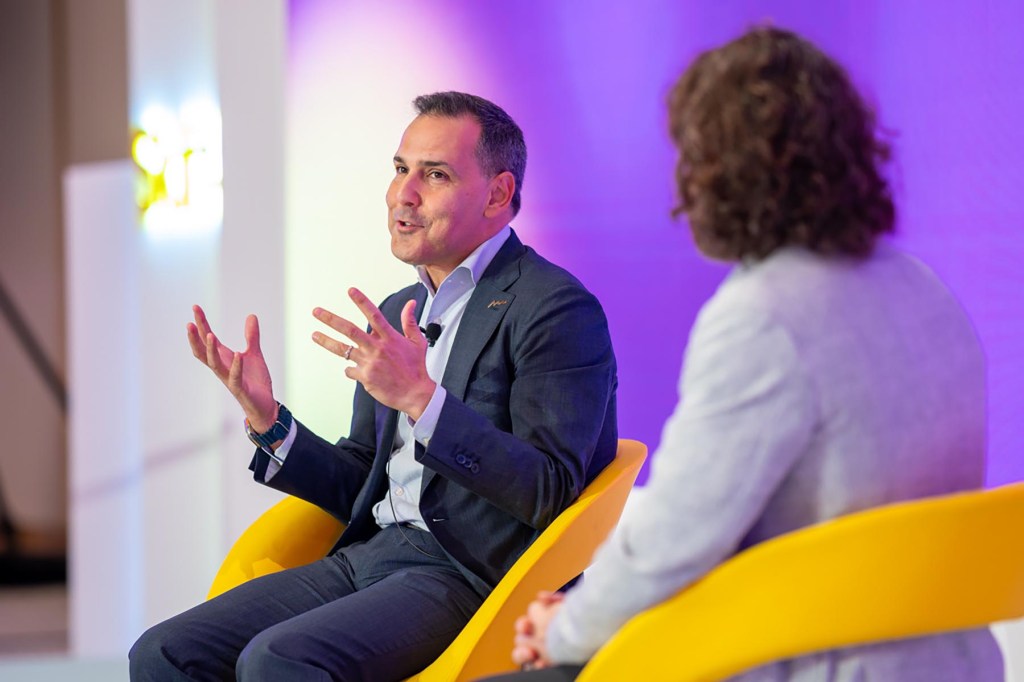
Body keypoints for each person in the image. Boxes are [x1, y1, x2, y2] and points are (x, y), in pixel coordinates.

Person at [488, 27, 1003, 681]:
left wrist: (565, 627)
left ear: (719, 173)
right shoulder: (921, 287)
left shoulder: (762, 317)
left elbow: (672, 543)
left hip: (807, 655)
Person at [128, 91, 618, 682]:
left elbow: (551, 489)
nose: (402, 195)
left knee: (278, 661)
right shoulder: (399, 308)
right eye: (400, 169)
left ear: (498, 193)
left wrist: (422, 399)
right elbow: (362, 476)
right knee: (163, 651)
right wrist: (270, 421)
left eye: (434, 174)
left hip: (469, 573)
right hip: (372, 553)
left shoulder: (554, 307)